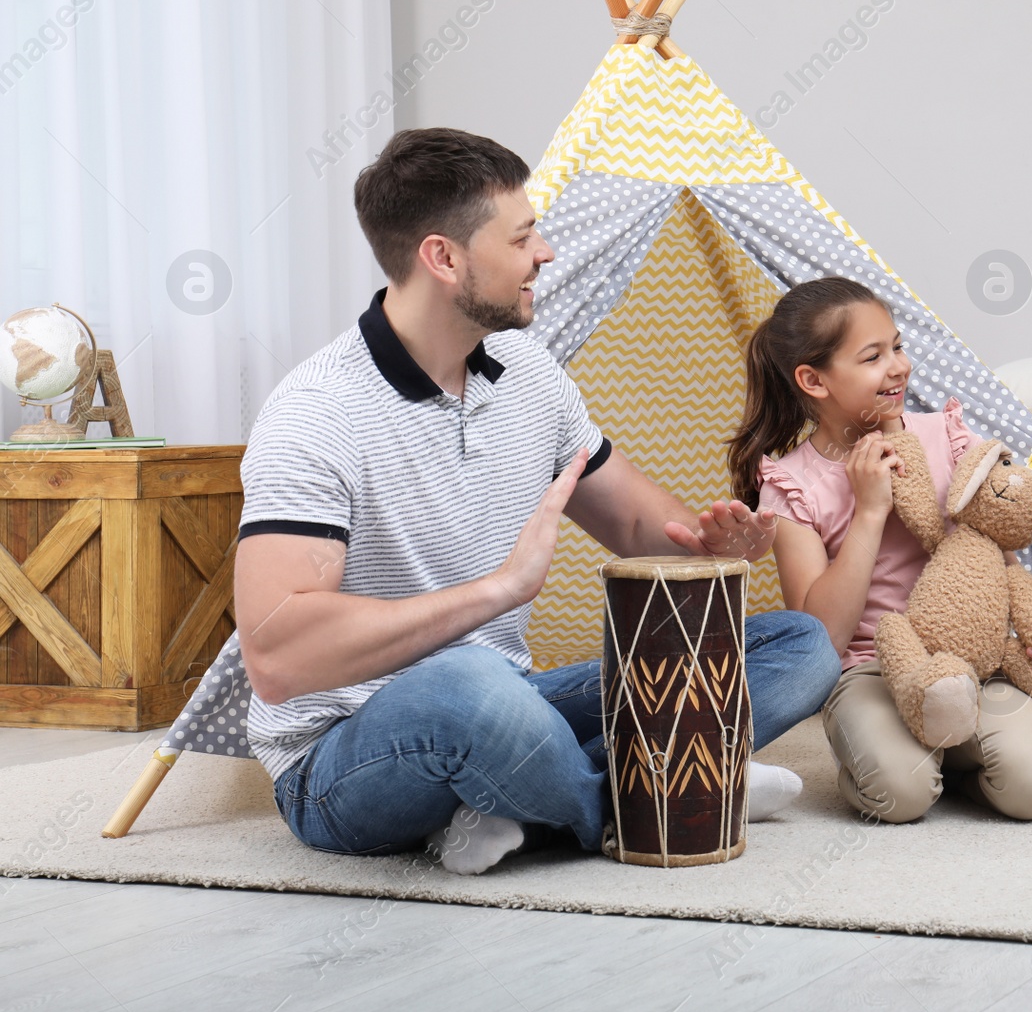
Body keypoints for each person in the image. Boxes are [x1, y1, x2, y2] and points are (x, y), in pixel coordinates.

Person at [236, 128, 838, 874]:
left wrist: (709, 548)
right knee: (471, 681)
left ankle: (511, 802)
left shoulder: (527, 371)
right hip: (342, 757)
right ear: (443, 257)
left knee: (800, 646)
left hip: (513, 703)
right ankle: (671, 801)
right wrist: (498, 591)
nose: (545, 252)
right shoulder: (316, 412)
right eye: (522, 237)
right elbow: (276, 653)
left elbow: (632, 520)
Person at [728, 277, 1032, 824]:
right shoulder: (791, 483)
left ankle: (962, 761)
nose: (898, 366)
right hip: (870, 669)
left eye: (897, 347)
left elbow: (997, 556)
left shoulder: (948, 437)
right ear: (813, 379)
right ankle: (922, 760)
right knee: (900, 796)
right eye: (873, 356)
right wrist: (870, 511)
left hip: (976, 661)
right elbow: (821, 638)